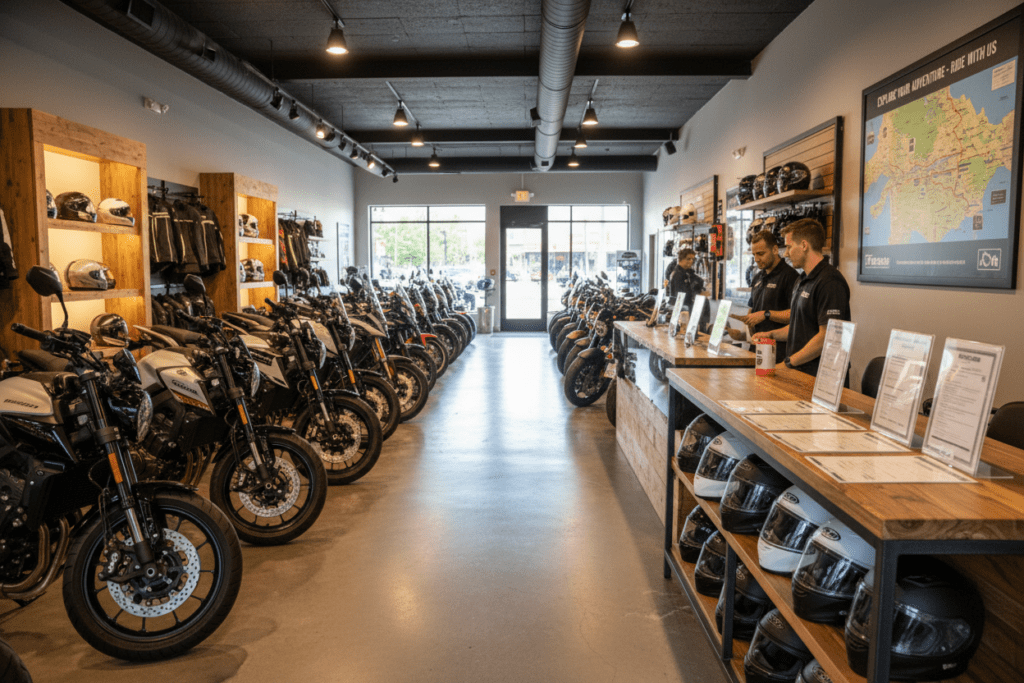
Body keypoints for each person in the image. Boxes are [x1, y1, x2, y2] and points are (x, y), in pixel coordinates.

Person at [751, 219, 850, 377]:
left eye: (789, 247)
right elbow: (799, 326)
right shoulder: (801, 279)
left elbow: (828, 335)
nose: (786, 253)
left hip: (821, 376)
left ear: (804, 245)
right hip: (800, 372)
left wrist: (789, 362)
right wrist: (772, 334)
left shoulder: (830, 281)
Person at [728, 230, 799, 357]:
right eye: (754, 254)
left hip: (780, 352)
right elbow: (753, 310)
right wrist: (744, 330)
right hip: (757, 349)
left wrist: (766, 314)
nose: (756, 259)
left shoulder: (791, 277)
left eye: (761, 254)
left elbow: (796, 315)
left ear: (775, 250)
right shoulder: (757, 278)